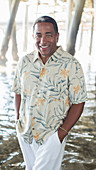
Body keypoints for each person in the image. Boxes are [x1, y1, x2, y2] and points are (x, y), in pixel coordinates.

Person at [12, 16, 87, 170]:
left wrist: (60, 135)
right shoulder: (24, 62)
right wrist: (18, 119)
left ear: (57, 36)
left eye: (48, 35)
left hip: (51, 135)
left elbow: (78, 102)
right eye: (38, 35)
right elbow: (18, 91)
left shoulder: (71, 64)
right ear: (33, 36)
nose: (43, 41)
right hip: (25, 133)